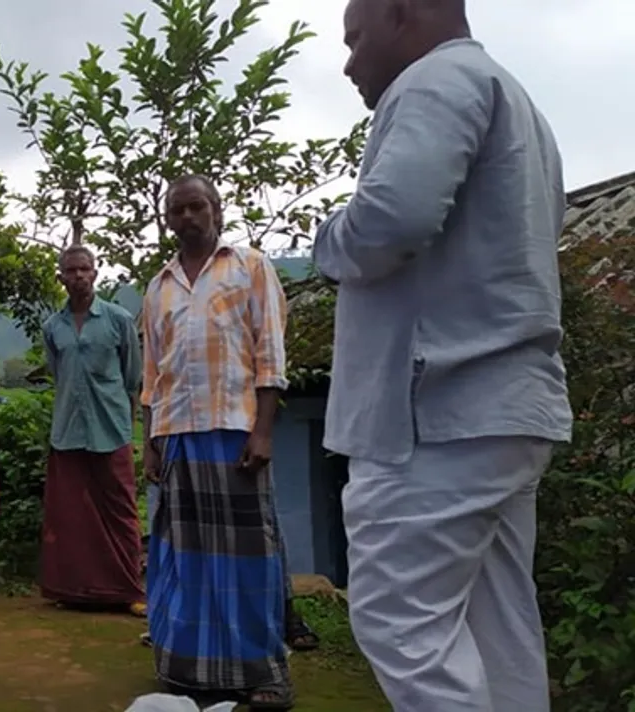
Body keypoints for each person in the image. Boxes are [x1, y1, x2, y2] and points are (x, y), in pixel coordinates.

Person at [314, 2, 570, 709]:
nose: (349, 63)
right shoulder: (512, 99)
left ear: (405, 14)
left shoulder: (435, 81)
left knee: (402, 623)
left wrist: (328, 241)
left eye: (355, 39)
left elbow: (389, 221)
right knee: (499, 631)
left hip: (435, 411)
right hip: (503, 410)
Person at [142, 175, 293, 709]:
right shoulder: (158, 286)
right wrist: (151, 443)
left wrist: (264, 430)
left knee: (249, 559)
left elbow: (270, 354)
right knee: (185, 560)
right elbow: (153, 374)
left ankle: (264, 675)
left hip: (235, 432)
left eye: (195, 207)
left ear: (216, 209)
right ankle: (189, 670)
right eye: (175, 210)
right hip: (178, 435)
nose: (185, 217)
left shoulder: (250, 266)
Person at [39, 244, 145, 617]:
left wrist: (127, 424)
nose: (79, 276)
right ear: (61, 277)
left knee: (121, 511)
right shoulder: (53, 327)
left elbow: (133, 378)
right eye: (71, 271)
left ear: (96, 273)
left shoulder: (118, 320)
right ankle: (77, 590)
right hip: (68, 430)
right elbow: (58, 373)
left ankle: (130, 588)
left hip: (111, 429)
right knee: (72, 514)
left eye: (85, 269)